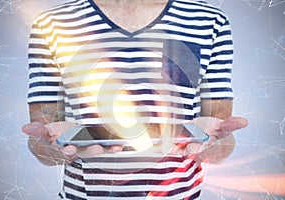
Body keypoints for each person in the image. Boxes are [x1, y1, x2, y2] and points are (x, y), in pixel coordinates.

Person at [22, 0, 248, 199]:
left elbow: (220, 134)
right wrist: (50, 147)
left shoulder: (209, 22)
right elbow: (42, 136)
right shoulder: (51, 25)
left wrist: (215, 145)